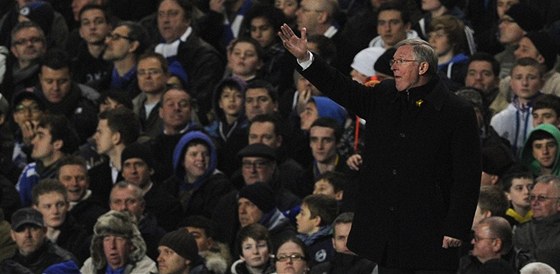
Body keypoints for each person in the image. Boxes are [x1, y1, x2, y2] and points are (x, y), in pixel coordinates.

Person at [279, 24, 481, 272]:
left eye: (400, 61)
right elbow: (342, 89)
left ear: (423, 67)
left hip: (432, 227)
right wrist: (306, 58)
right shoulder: (386, 94)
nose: (392, 66)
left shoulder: (456, 111)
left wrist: (456, 226)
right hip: (389, 227)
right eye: (393, 61)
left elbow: (467, 175)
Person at [155, 0, 225, 124]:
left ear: (187, 20)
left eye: (172, 14)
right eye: (161, 14)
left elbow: (202, 103)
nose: (165, 20)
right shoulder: (153, 52)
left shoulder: (206, 56)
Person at [34, 48, 99, 143]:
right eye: (49, 81)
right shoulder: (28, 100)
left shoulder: (91, 101)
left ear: (71, 77)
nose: (55, 88)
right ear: (40, 79)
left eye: (62, 81)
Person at [162, 130, 232, 218]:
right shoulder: (170, 185)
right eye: (194, 154)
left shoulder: (220, 186)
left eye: (205, 154)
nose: (200, 159)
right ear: (182, 160)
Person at [16, 114, 80, 207]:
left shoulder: (73, 175)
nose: (33, 141)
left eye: (40, 136)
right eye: (35, 136)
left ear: (57, 144)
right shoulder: (30, 172)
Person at [120, 142, 183, 231]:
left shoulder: (169, 205)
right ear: (122, 173)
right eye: (127, 165)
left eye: (138, 164)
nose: (133, 171)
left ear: (151, 170)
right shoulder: (117, 202)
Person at [490, 58, 544, 155]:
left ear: (542, 82)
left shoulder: (549, 115)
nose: (525, 83)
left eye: (531, 78)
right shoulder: (499, 118)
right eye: (519, 78)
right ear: (511, 82)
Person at [89, 107, 141, 206]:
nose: (95, 137)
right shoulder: (94, 176)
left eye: (100, 132)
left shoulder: (140, 175)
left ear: (116, 137)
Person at [31, 179, 90, 264]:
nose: (55, 211)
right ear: (36, 209)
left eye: (60, 205)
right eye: (48, 206)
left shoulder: (81, 238)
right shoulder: (27, 235)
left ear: (67, 206)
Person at [81, 210, 158, 273]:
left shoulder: (146, 269)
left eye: (119, 239)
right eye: (107, 239)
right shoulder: (91, 266)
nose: (112, 246)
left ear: (132, 244)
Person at [9, 207, 80, 274]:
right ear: (12, 235)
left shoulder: (64, 263)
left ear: (44, 231)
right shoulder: (7, 264)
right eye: (21, 230)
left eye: (33, 229)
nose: (27, 235)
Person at [109, 182, 166, 261]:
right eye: (117, 202)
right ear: (110, 206)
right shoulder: (98, 238)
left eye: (130, 201)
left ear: (142, 206)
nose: (123, 207)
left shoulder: (160, 238)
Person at [513, 175, 560, 271]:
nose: (534, 203)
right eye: (532, 197)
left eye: (541, 198)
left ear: (558, 204)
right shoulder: (520, 231)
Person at [310, 212, 377, 274]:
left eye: (352, 237)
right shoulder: (318, 271)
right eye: (341, 238)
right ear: (333, 243)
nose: (347, 243)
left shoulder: (374, 269)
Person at [56, 155, 107, 233]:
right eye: (67, 178)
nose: (74, 183)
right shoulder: (48, 211)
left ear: (87, 182)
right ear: (57, 183)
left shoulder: (101, 217)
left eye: (80, 178)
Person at [296, 194, 337, 267]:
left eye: (302, 214)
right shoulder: (297, 242)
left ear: (316, 220)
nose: (297, 217)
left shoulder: (328, 248)